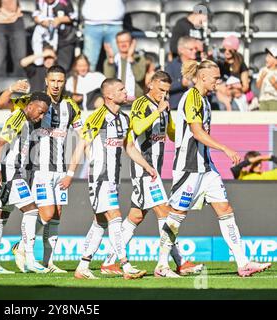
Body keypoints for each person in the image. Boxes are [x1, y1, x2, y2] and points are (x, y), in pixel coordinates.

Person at [155, 60, 272, 277]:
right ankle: (162, 265)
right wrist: (226, 149)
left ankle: (243, 262)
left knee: (225, 210)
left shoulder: (205, 101)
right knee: (176, 215)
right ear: (203, 77)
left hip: (206, 168)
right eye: (215, 78)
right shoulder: (191, 98)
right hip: (188, 167)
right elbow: (197, 133)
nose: (218, 81)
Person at [99, 71, 204, 276]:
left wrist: (182, 124)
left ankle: (109, 262)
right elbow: (136, 128)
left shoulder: (164, 107)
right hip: (143, 170)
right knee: (165, 213)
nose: (163, 95)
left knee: (136, 216)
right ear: (150, 85)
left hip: (154, 170)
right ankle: (175, 263)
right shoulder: (141, 104)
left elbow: (172, 134)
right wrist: (158, 112)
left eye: (167, 91)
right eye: (160, 90)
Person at [62, 78, 157, 280]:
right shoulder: (98, 117)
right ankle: (125, 265)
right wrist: (70, 174)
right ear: (109, 95)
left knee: (100, 223)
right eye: (121, 89)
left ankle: (82, 267)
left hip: (114, 178)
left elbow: (129, 147)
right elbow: (81, 145)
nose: (125, 92)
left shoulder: (124, 118)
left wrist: (147, 166)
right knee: (114, 216)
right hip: (100, 177)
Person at [0, 65, 83, 273]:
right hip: (38, 168)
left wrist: (71, 172)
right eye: (52, 81)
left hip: (61, 169)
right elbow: (1, 104)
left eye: (60, 81)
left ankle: (48, 262)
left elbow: (83, 138)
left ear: (64, 82)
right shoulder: (34, 100)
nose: (56, 85)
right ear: (46, 81)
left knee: (56, 215)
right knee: (46, 211)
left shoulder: (71, 106)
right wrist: (11, 89)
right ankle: (23, 247)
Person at [0, 92, 50, 274]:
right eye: (40, 111)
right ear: (30, 106)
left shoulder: (27, 120)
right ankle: (29, 258)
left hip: (13, 173)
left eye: (44, 113)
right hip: (9, 174)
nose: (41, 116)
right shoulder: (18, 117)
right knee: (31, 210)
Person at [31, 0, 78, 72]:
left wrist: (60, 20)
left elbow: (73, 16)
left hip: (65, 39)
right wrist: (42, 22)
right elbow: (35, 15)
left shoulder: (64, 2)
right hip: (46, 39)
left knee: (63, 67)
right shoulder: (39, 1)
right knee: (43, 65)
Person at [104, 31, 147, 105]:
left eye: (126, 41)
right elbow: (109, 81)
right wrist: (111, 59)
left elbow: (139, 77)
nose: (123, 44)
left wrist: (131, 59)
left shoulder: (139, 59)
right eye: (120, 42)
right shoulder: (111, 60)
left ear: (132, 42)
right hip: (117, 101)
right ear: (117, 43)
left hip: (135, 100)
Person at [81, 0, 125, 71]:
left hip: (115, 24)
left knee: (118, 60)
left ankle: (118, 81)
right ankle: (88, 82)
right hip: (91, 24)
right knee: (89, 62)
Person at [0, 0, 27, 79]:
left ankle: (20, 87)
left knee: (20, 58)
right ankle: (0, 88)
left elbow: (12, 8)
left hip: (16, 19)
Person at [166, 36, 198, 109]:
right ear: (181, 50)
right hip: (177, 107)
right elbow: (166, 86)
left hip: (196, 107)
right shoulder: (172, 65)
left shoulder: (199, 64)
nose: (195, 51)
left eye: (196, 49)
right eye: (191, 49)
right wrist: (181, 83)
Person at [257, 47, 277, 111]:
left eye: (269, 57)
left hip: (274, 100)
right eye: (266, 56)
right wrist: (262, 77)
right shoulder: (262, 70)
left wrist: (274, 83)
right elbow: (258, 86)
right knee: (262, 119)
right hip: (263, 99)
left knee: (273, 119)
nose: (266, 59)